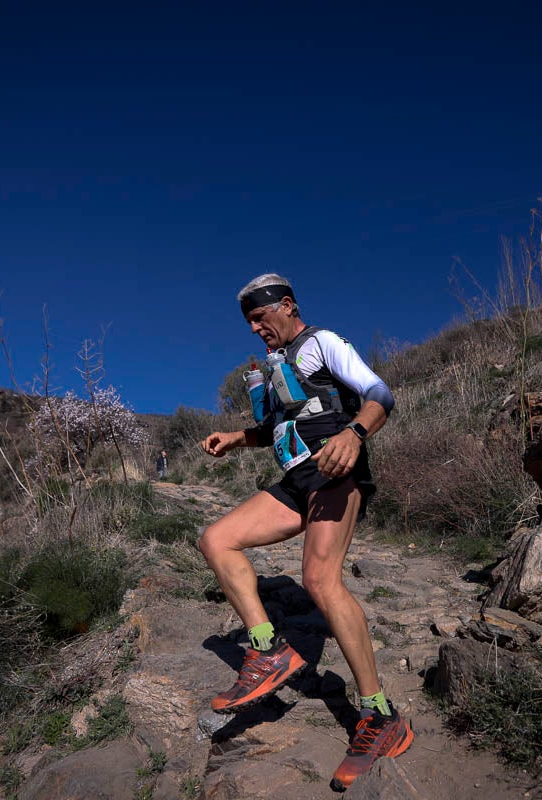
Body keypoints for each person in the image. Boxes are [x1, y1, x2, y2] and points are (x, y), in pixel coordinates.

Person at [198, 273, 412, 791]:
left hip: (335, 474)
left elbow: (380, 392)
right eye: (247, 321)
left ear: (286, 305)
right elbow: (279, 426)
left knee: (319, 580)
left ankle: (379, 714)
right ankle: (269, 650)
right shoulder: (277, 367)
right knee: (215, 540)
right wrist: (236, 437)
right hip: (297, 482)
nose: (254, 329)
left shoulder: (323, 342)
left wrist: (356, 433)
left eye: (258, 317)